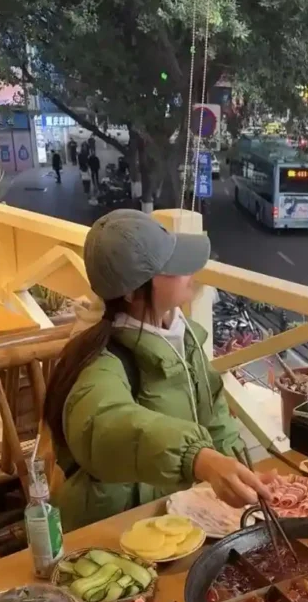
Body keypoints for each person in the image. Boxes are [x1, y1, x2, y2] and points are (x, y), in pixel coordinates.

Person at [43, 210, 275, 531]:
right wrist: (198, 458)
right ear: (131, 291)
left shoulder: (182, 334)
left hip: (172, 516)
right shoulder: (101, 360)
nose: (190, 271)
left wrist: (242, 473)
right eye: (173, 267)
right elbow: (106, 423)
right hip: (113, 527)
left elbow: (215, 413)